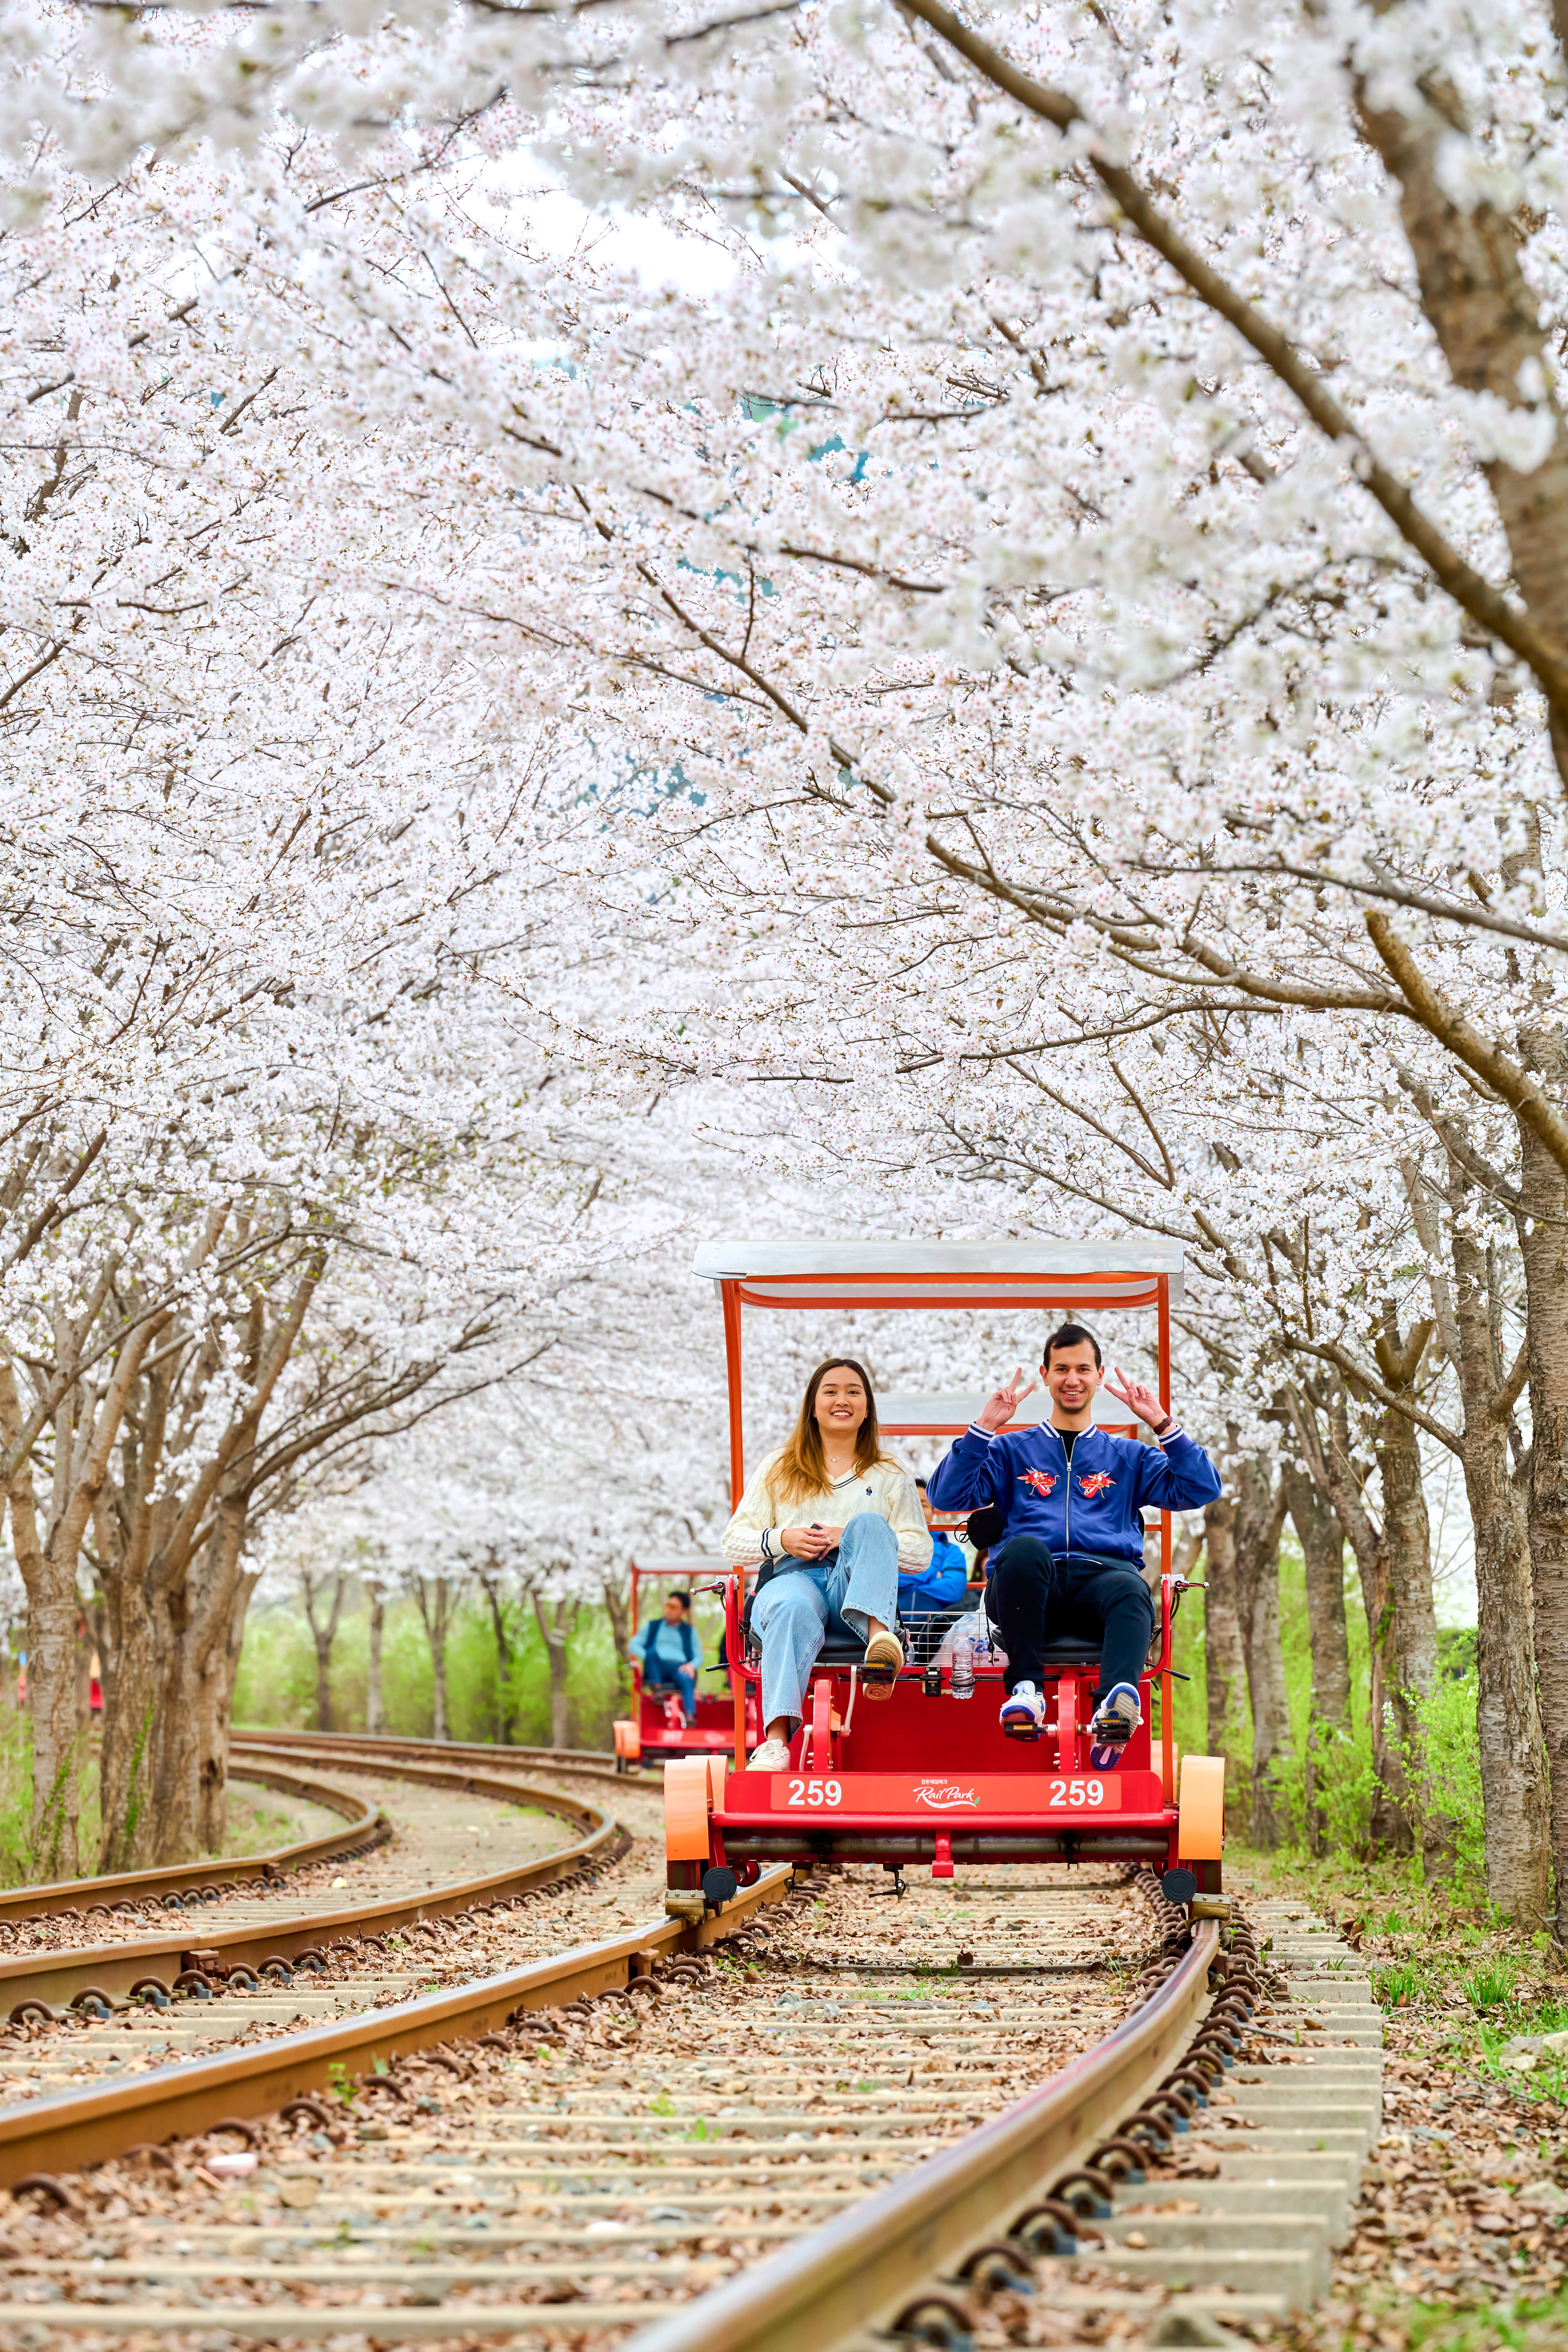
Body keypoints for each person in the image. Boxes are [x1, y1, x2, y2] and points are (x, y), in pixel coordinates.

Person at [927, 1323, 1221, 1766]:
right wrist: (984, 1428)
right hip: (1029, 1591)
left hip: (1099, 1587)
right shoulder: (1010, 1451)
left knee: (1131, 1586)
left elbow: (1201, 1488)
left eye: (1083, 1368)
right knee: (1023, 1549)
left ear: (1099, 1376)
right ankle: (1026, 1690)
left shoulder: (1130, 1457)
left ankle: (1112, 1710)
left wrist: (1161, 1422)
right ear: (1045, 1375)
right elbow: (946, 1496)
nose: (1072, 1378)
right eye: (1062, 1368)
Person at [722, 1357, 930, 1772]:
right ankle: (776, 1743)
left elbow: (920, 1553)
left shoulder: (889, 1473)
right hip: (792, 1580)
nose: (843, 1400)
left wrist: (848, 1535)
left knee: (869, 1524)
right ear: (813, 1406)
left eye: (854, 1392)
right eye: (831, 1391)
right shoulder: (779, 1467)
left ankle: (880, 1648)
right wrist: (782, 1539)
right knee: (791, 1606)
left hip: (854, 1590)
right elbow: (732, 1544)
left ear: (867, 1407)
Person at [630, 1590, 702, 1724]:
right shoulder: (653, 1626)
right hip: (656, 1667)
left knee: (686, 1677)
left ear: (684, 1612)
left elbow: (699, 1657)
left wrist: (691, 1666)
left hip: (678, 1668)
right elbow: (634, 1645)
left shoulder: (690, 1631)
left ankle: (691, 1717)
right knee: (651, 1653)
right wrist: (648, 1658)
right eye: (668, 1606)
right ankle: (658, 1691)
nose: (669, 1610)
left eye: (674, 1607)